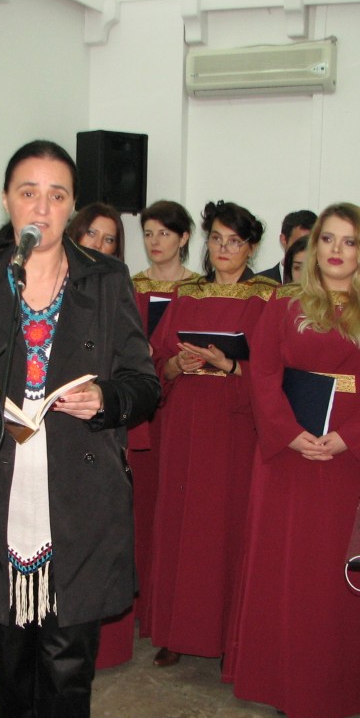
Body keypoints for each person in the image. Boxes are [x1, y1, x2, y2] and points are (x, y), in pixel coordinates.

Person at [0, 140, 160, 718]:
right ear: (7, 200)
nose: (41, 206)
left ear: (72, 207)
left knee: (66, 670)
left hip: (79, 495)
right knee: (11, 670)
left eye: (57, 195)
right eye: (28, 192)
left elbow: (144, 384)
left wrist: (106, 399)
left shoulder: (106, 279)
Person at [232, 203, 360, 718]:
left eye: (349, 241)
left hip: (355, 460)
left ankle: (343, 687)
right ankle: (280, 679)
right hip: (291, 456)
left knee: (342, 577)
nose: (336, 249)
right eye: (328, 239)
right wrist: (290, 434)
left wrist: (348, 439)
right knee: (290, 571)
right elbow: (264, 374)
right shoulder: (284, 304)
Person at [148, 201, 271, 671]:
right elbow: (156, 359)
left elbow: (276, 370)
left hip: (234, 425)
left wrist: (232, 365)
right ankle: (176, 631)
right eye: (216, 239)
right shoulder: (187, 294)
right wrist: (176, 365)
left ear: (251, 247)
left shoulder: (267, 299)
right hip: (185, 420)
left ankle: (227, 639)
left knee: (226, 528)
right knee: (181, 524)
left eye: (234, 241)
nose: (223, 248)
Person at [66, 202, 133, 670]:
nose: (99, 245)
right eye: (91, 234)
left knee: (96, 544)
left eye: (110, 239)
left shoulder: (116, 287)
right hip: (48, 429)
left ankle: (94, 649)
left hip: (97, 427)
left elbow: (136, 375)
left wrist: (105, 397)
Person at [129, 200, 200, 639]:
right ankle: (136, 603)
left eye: (165, 234)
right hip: (138, 410)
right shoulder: (130, 285)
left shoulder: (201, 289)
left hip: (183, 408)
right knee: (138, 505)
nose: (155, 242)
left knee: (173, 508)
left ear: (184, 238)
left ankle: (165, 603)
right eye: (149, 234)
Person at [255, 209, 317, 283]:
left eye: (312, 244)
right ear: (283, 240)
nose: (305, 250)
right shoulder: (257, 283)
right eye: (299, 244)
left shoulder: (325, 283)